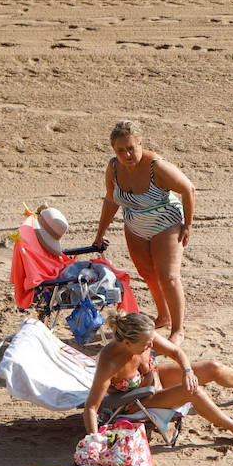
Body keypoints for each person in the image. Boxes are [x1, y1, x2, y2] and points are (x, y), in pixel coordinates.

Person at [83, 312, 233, 445]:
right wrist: (95, 439)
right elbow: (91, 407)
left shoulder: (144, 339)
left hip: (154, 377)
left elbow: (177, 353)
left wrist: (188, 371)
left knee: (213, 367)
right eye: (147, 344)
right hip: (137, 399)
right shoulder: (110, 363)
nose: (151, 346)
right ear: (127, 343)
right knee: (194, 392)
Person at [90, 121, 195, 345]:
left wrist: (188, 225)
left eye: (131, 148)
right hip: (135, 224)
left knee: (169, 276)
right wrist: (101, 232)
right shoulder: (114, 168)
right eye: (120, 150)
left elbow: (188, 188)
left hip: (166, 222)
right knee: (147, 273)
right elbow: (111, 199)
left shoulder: (156, 166)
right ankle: (163, 316)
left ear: (140, 144)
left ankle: (178, 329)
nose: (127, 154)